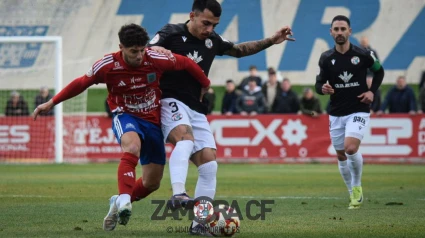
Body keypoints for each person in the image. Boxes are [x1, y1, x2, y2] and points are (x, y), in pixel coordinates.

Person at [33, 24, 211, 231]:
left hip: (153, 121)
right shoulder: (107, 65)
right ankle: (125, 199)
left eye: (142, 50)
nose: (139, 55)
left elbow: (186, 63)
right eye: (133, 51)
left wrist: (205, 83)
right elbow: (82, 82)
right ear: (121, 47)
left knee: (151, 182)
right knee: (132, 147)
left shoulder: (156, 58)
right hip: (125, 114)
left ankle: (118, 202)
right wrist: (51, 102)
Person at [148, 0, 294, 233]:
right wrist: (156, 50)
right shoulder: (170, 32)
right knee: (185, 139)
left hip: (196, 106)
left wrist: (271, 41)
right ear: (192, 15)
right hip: (170, 99)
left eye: (214, 25)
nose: (210, 29)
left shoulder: (212, 40)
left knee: (209, 164)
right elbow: (146, 50)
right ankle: (178, 194)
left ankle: (199, 224)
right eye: (206, 23)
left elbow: (239, 50)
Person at [315, 15, 384, 209]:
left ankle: (357, 187)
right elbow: (319, 83)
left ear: (349, 31)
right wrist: (322, 89)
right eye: (336, 29)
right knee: (341, 156)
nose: (339, 32)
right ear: (331, 32)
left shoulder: (364, 54)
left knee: (350, 148)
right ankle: (351, 193)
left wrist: (372, 91)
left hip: (358, 109)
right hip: (336, 112)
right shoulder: (326, 58)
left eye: (343, 29)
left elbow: (379, 71)